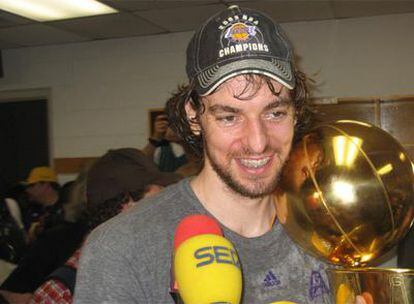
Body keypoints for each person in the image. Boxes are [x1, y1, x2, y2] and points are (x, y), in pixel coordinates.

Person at [75, 6, 331, 303]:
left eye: (274, 113)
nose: (258, 142)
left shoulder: (326, 230)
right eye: (229, 117)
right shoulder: (121, 249)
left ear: (296, 113)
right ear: (194, 116)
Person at [29, 148, 181, 303]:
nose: (164, 215)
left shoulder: (162, 272)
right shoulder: (62, 293)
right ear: (124, 206)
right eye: (154, 205)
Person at [142, 86, 202, 177]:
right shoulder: (164, 150)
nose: (173, 127)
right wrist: (155, 138)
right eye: (171, 121)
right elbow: (140, 166)